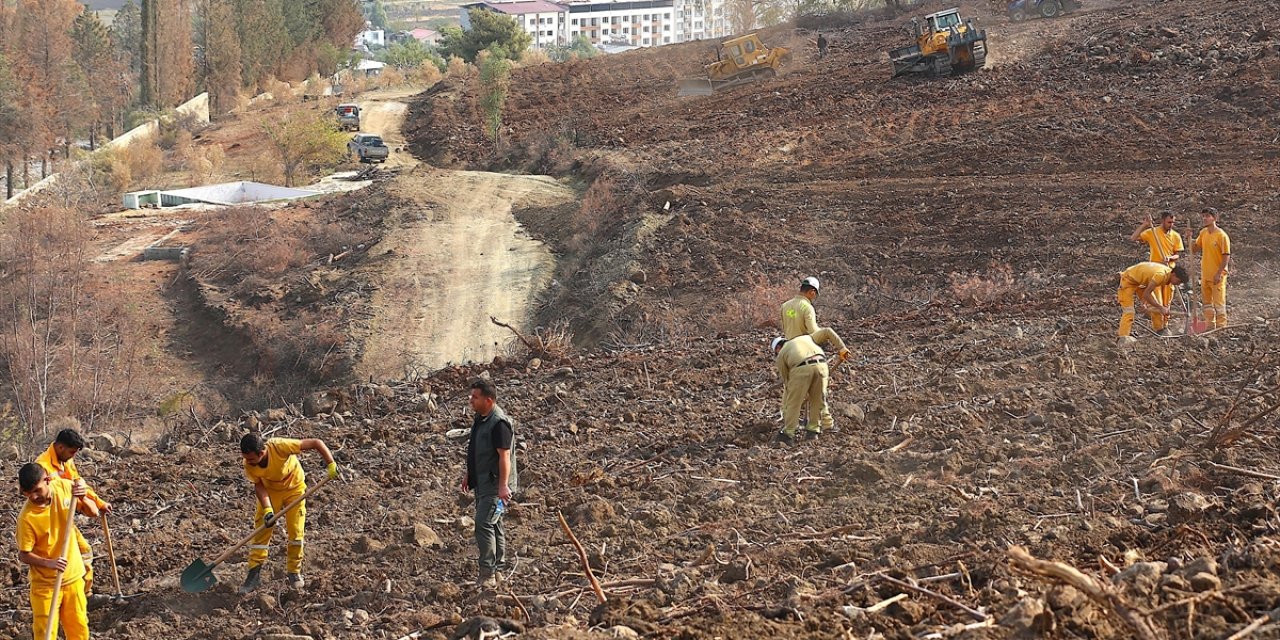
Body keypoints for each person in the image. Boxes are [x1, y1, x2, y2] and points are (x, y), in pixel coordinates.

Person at [238, 433, 338, 593]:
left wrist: (331, 464)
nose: (247, 462)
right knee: (262, 530)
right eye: (246, 458)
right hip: (271, 491)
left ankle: (294, 572)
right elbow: (259, 486)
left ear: (262, 453)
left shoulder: (280, 446)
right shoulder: (249, 464)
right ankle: (253, 574)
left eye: (250, 459)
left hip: (294, 489)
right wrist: (268, 509)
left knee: (296, 532)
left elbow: (316, 441)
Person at [17, 463, 90, 640]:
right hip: (45, 586)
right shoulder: (27, 518)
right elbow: (23, 554)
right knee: (45, 634)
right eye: (28, 493)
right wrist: (48, 563)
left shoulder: (64, 488)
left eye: (37, 490)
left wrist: (84, 496)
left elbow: (92, 511)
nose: (33, 497)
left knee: (79, 629)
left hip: (73, 578)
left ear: (47, 480)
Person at [462, 378, 518, 589]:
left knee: (484, 524)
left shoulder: (499, 424)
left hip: (496, 487)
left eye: (475, 397)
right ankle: (499, 571)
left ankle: (488, 574)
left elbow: (504, 458)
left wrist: (503, 487)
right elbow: (479, 450)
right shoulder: (481, 418)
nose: (471, 401)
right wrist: (470, 473)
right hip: (484, 483)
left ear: (489, 400)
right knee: (494, 524)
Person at [35, 429, 105, 594]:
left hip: (66, 520)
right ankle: (59, 601)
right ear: (60, 447)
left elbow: (79, 485)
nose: (73, 456)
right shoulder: (42, 467)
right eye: (71, 452)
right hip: (50, 525)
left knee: (85, 552)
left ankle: (84, 595)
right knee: (60, 563)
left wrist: (98, 503)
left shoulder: (66, 461)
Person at [771, 328, 850, 442]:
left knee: (794, 403)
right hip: (822, 365)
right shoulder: (806, 338)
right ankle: (813, 432)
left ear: (778, 348)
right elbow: (827, 331)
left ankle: (788, 434)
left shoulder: (782, 354)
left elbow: (787, 381)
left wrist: (787, 405)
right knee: (817, 400)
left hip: (800, 369)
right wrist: (842, 348)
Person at [1130, 211, 1184, 335]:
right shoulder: (1153, 233)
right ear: (1162, 221)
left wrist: (1170, 258)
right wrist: (1145, 225)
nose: (1171, 225)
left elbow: (1177, 254)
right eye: (1169, 222)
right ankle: (1158, 328)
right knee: (1156, 300)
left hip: (1170, 273)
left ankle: (1165, 326)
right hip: (1155, 272)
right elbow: (1133, 238)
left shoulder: (1175, 236)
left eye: (1173, 222)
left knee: (1167, 301)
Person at [1116, 261, 1187, 340]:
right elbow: (1147, 294)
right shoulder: (1161, 275)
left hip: (1141, 283)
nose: (1178, 284)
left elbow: (1146, 292)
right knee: (1129, 311)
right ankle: (1123, 337)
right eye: (1178, 281)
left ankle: (1160, 331)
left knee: (1156, 307)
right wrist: (1160, 307)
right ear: (1173, 275)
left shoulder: (1168, 274)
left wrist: (1144, 303)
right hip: (1128, 279)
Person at [1190, 208, 1231, 328]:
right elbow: (1195, 248)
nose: (1204, 218)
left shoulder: (1221, 236)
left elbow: (1226, 255)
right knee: (1207, 303)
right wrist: (1190, 238)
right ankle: (1209, 325)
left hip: (1217, 275)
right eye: (1203, 216)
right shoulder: (1203, 233)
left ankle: (1221, 326)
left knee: (1219, 304)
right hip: (1205, 274)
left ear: (1215, 218)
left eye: (1207, 216)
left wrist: (1219, 273)